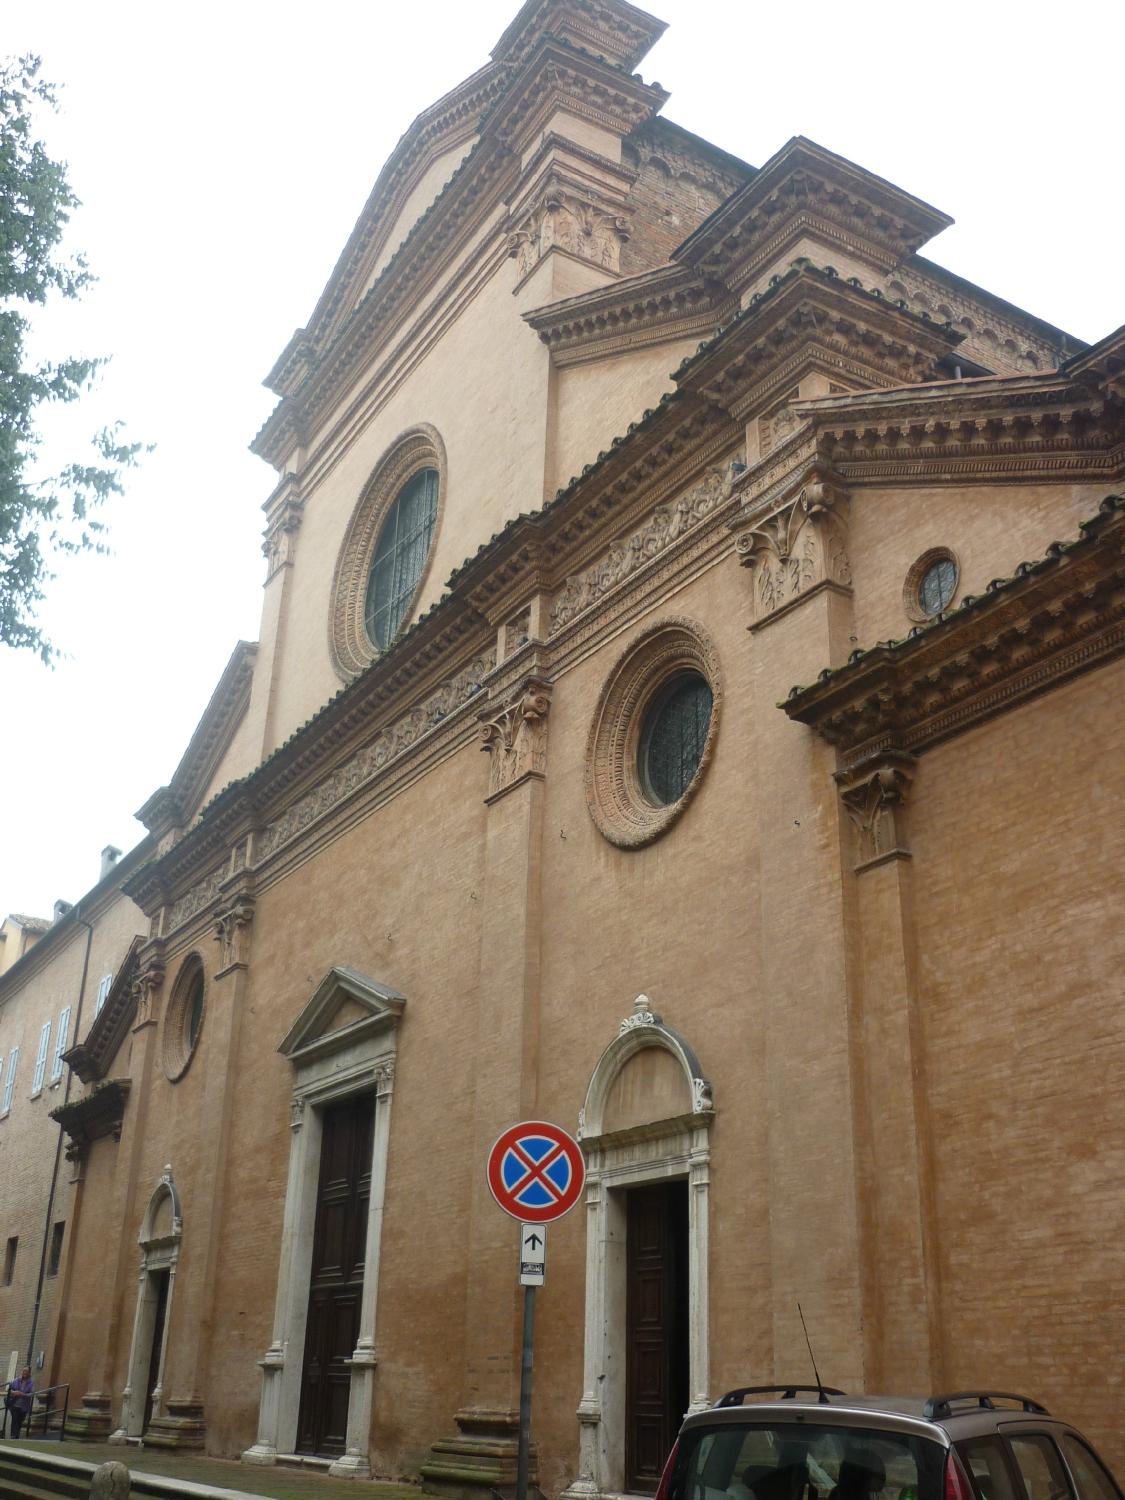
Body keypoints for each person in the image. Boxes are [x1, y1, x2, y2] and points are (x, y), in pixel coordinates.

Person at [6, 1366, 33, 1439]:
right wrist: (14, 1392)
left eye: (26, 1371)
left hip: (23, 1406)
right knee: (14, 1420)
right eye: (23, 1371)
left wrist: (21, 1394)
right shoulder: (16, 1380)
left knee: (20, 1421)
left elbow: (31, 1394)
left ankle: (16, 1436)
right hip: (14, 1404)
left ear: (29, 1373)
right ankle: (13, 1436)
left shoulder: (31, 1382)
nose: (24, 1372)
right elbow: (9, 1390)